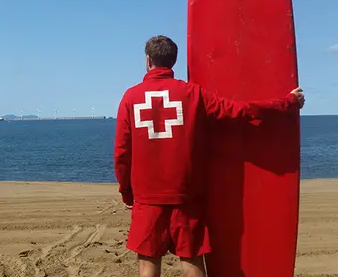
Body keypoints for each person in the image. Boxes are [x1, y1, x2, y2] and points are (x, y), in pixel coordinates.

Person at [114, 35, 305, 277]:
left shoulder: (131, 97)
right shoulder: (193, 94)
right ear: (173, 61)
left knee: (148, 263)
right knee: (192, 258)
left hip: (147, 197)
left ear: (148, 60)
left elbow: (122, 151)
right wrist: (286, 102)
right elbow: (239, 111)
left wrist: (126, 190)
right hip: (186, 194)